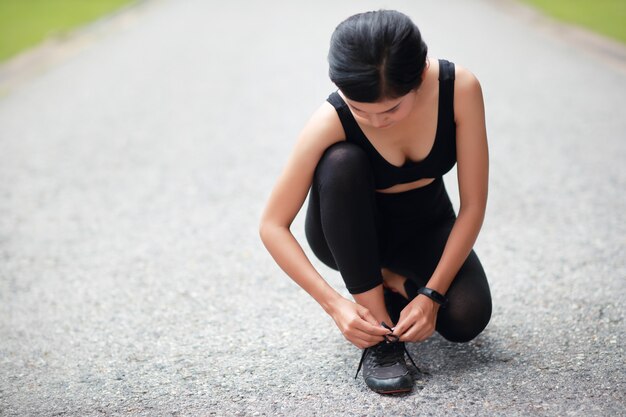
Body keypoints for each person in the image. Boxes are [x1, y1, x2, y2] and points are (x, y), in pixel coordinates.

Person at [259, 9, 492, 395]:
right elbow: (271, 225)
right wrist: (335, 305)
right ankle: (380, 335)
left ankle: (393, 283)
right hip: (349, 230)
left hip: (425, 223)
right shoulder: (329, 119)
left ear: (419, 77)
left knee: (466, 317)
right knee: (341, 160)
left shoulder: (459, 89)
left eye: (390, 110)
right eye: (359, 109)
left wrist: (432, 295)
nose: (375, 122)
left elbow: (473, 206)